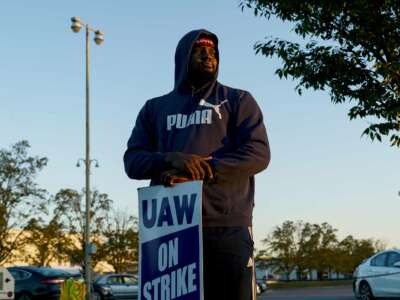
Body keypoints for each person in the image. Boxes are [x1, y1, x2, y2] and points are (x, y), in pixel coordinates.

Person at [124, 29, 270, 300]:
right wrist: (170, 158)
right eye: (199, 49)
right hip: (169, 227)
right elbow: (132, 162)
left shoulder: (237, 99)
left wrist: (202, 170)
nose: (207, 54)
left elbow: (258, 153)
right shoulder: (154, 108)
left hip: (226, 224)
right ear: (182, 56)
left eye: (213, 51)